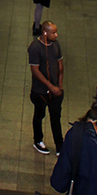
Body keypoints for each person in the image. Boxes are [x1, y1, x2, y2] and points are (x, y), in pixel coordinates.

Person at [28, 20, 64, 155]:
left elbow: (60, 65)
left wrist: (59, 86)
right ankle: (38, 140)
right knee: (39, 115)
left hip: (55, 90)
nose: (56, 35)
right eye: (53, 33)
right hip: (40, 91)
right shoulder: (35, 48)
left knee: (56, 117)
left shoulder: (56, 45)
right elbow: (35, 70)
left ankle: (59, 145)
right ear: (45, 33)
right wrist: (50, 86)